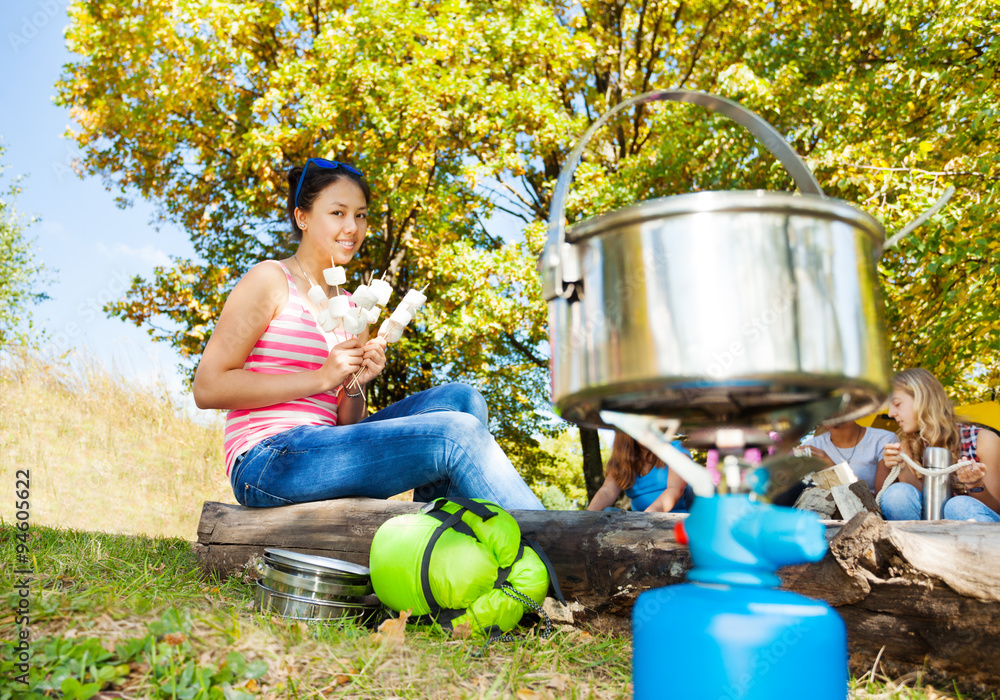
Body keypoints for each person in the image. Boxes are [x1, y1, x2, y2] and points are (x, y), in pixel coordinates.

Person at [192, 158, 543, 511]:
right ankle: (553, 544)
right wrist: (320, 378)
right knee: (456, 435)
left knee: (463, 402)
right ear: (303, 217)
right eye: (338, 213)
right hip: (267, 457)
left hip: (325, 443)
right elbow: (208, 387)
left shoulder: (352, 307)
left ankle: (438, 542)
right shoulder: (270, 280)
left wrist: (355, 383)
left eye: (360, 215)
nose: (352, 227)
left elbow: (347, 421)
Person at [879, 368, 1000, 522]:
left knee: (957, 506)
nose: (890, 413)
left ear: (923, 399)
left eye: (897, 404)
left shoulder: (984, 440)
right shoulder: (907, 447)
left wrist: (975, 485)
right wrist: (902, 467)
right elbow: (920, 506)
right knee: (896, 494)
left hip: (980, 535)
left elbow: (996, 509)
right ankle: (908, 545)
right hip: (928, 533)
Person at [587, 432, 693, 513]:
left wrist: (644, 520)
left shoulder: (676, 449)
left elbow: (675, 489)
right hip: (641, 523)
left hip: (678, 521)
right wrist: (585, 519)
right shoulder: (621, 462)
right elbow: (607, 491)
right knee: (607, 514)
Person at [801, 420, 897, 493]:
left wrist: (833, 470)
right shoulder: (812, 445)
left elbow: (881, 501)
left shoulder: (883, 440)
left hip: (866, 516)